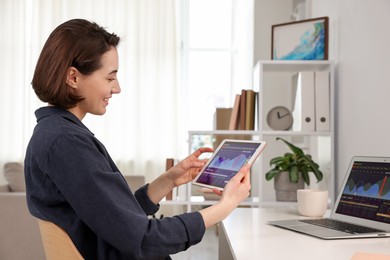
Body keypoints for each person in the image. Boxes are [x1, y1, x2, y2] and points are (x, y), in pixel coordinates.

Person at [25, 18, 251, 260]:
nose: (117, 88)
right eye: (110, 78)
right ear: (73, 77)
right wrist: (223, 208)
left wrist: (167, 181)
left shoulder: (56, 135)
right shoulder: (66, 143)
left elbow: (114, 220)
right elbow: (143, 240)